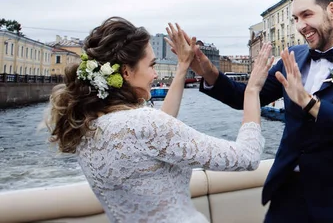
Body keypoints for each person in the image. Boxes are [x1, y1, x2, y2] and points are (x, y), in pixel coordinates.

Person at [192, 0, 333, 223]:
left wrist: (309, 102)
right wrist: (207, 71)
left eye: (307, 15)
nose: (300, 26)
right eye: (295, 18)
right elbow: (244, 97)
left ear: (332, 10)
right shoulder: (294, 56)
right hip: (286, 195)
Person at [45, 17, 273, 223]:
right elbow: (247, 156)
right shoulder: (143, 124)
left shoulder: (87, 125)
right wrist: (251, 90)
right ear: (126, 72)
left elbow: (159, 126)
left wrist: (183, 66)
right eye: (152, 65)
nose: (155, 75)